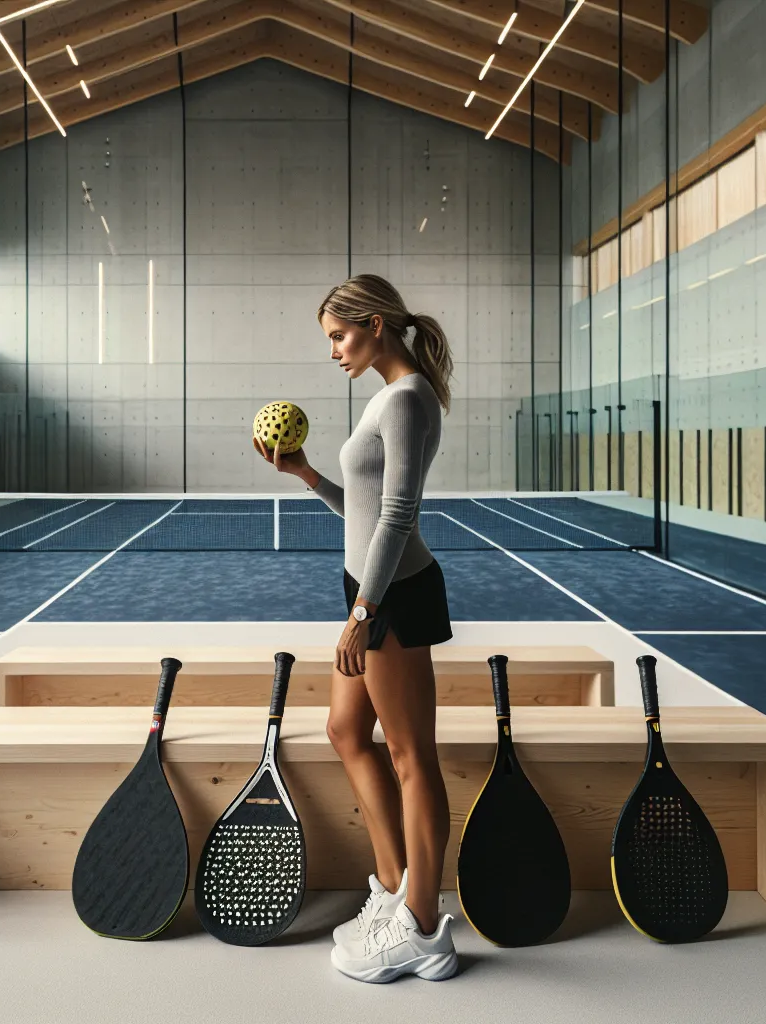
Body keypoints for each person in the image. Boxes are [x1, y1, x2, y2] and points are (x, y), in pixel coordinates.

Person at [252, 274, 457, 983]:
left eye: (339, 336)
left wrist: (362, 615)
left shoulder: (406, 399)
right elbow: (367, 508)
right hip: (371, 584)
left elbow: (398, 517)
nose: (334, 351)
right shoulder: (387, 394)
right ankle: (398, 884)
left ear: (373, 323)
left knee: (411, 757)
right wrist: (308, 473)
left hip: (393, 594)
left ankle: (425, 927)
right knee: (346, 732)